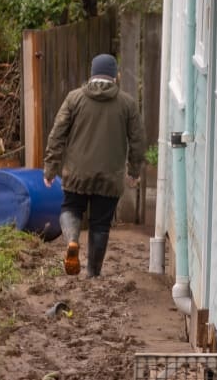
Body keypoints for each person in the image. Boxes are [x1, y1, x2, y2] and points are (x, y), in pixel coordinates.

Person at [43, 53, 146, 277]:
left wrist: (50, 168)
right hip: (109, 177)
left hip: (77, 174)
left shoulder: (74, 98)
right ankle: (93, 273)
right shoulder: (127, 103)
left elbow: (57, 134)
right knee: (100, 224)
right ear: (115, 76)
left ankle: (72, 241)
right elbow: (138, 140)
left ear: (91, 74)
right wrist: (134, 170)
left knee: (71, 208)